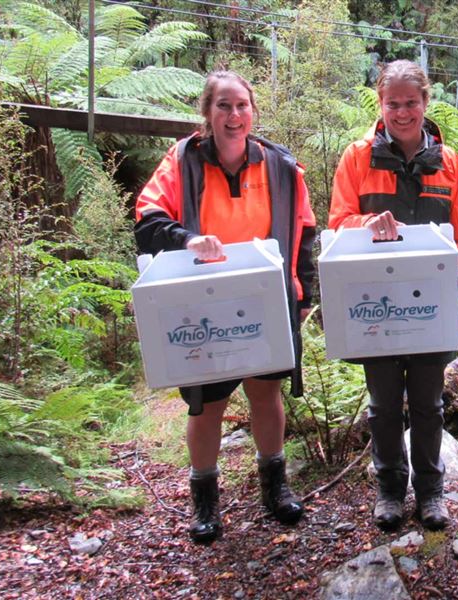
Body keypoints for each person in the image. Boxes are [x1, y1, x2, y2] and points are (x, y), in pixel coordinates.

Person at [134, 71, 316, 545]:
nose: (233, 116)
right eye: (223, 106)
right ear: (207, 112)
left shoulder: (281, 165)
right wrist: (187, 238)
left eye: (241, 106)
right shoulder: (182, 161)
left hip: (267, 299)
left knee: (265, 393)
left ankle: (275, 488)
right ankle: (205, 502)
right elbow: (148, 217)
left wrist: (303, 295)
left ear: (252, 111)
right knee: (207, 404)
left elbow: (305, 233)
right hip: (202, 306)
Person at [329, 60, 458, 532]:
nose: (402, 112)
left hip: (431, 307)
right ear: (380, 104)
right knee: (383, 403)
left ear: (425, 102)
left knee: (429, 404)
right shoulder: (357, 157)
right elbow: (337, 223)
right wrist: (364, 224)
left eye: (410, 102)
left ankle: (432, 492)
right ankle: (390, 490)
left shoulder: (449, 161)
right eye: (392, 103)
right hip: (374, 306)